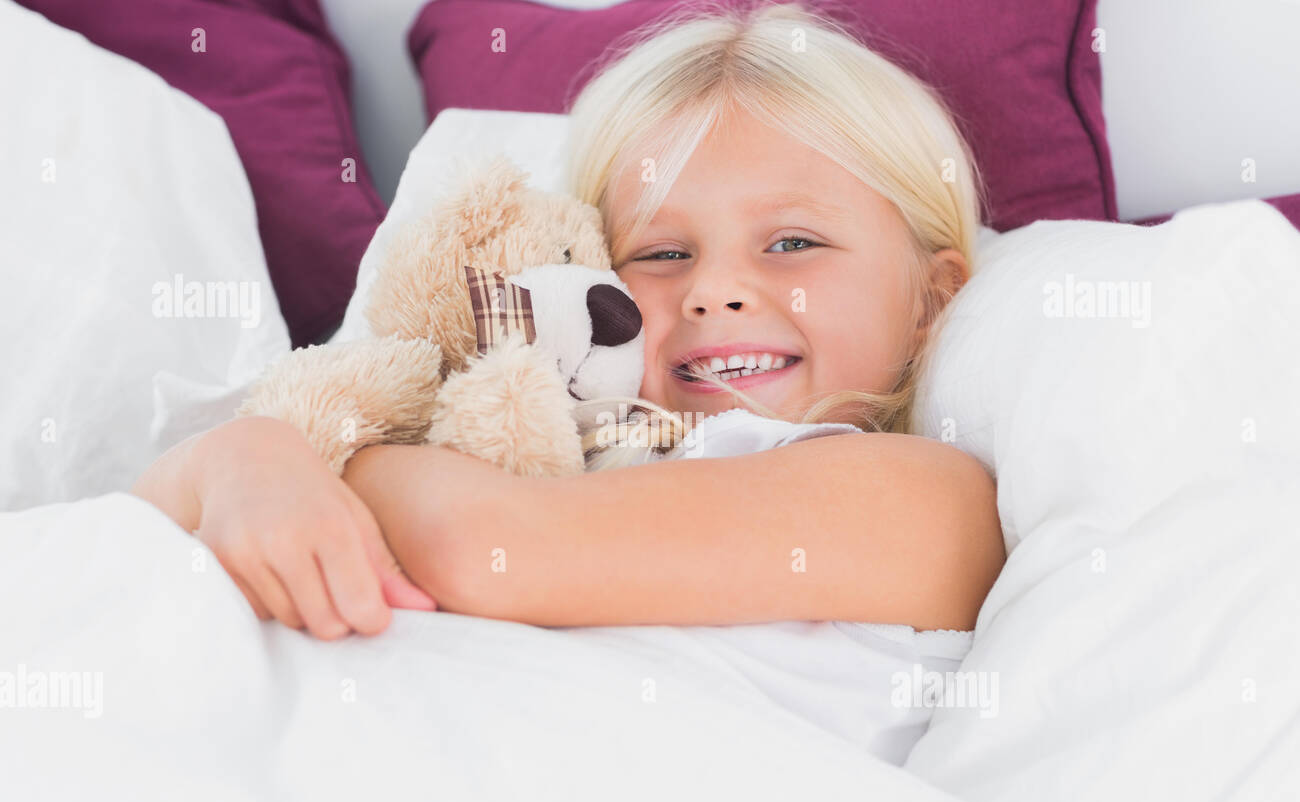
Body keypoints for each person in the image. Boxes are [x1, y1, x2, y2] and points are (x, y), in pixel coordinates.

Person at [131, 1, 1003, 641]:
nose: (713, 293)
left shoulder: (927, 498)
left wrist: (326, 462)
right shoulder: (539, 442)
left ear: (931, 302)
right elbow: (132, 527)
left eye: (793, 242)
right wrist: (251, 457)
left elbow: (487, 548)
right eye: (662, 255)